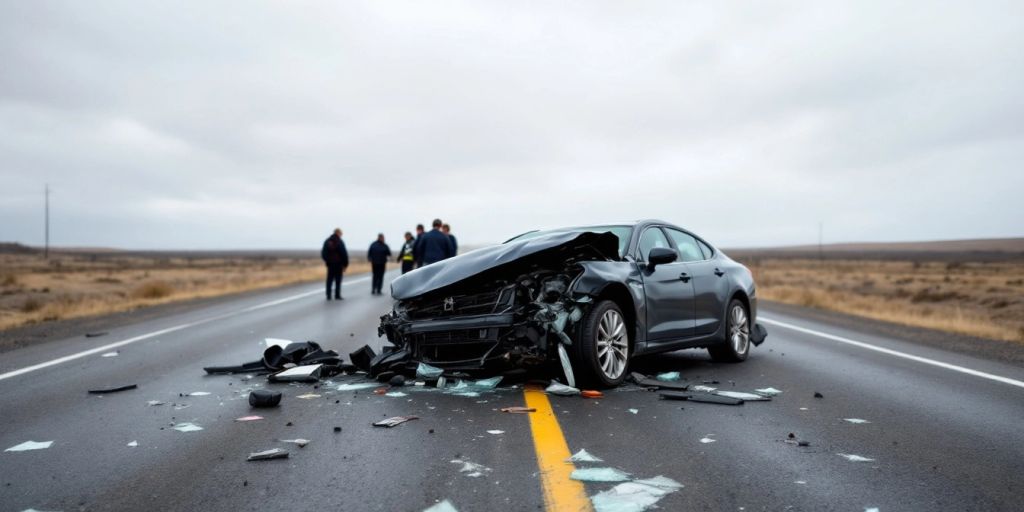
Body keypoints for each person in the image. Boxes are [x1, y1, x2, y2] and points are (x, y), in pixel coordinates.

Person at [321, 228, 348, 300]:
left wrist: (327, 261)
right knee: (338, 280)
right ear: (338, 233)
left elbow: (323, 253)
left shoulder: (327, 241)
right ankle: (337, 295)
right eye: (341, 233)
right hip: (339, 264)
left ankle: (328, 295)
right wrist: (345, 264)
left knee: (329, 279)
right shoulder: (340, 241)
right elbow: (344, 254)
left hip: (330, 264)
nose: (341, 235)